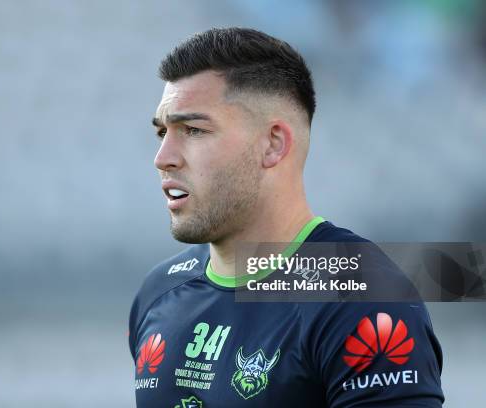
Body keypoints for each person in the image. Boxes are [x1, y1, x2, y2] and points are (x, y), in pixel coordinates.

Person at [128, 27, 444, 407]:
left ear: (273, 144)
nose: (163, 157)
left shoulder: (362, 297)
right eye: (163, 132)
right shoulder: (159, 292)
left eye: (193, 130)